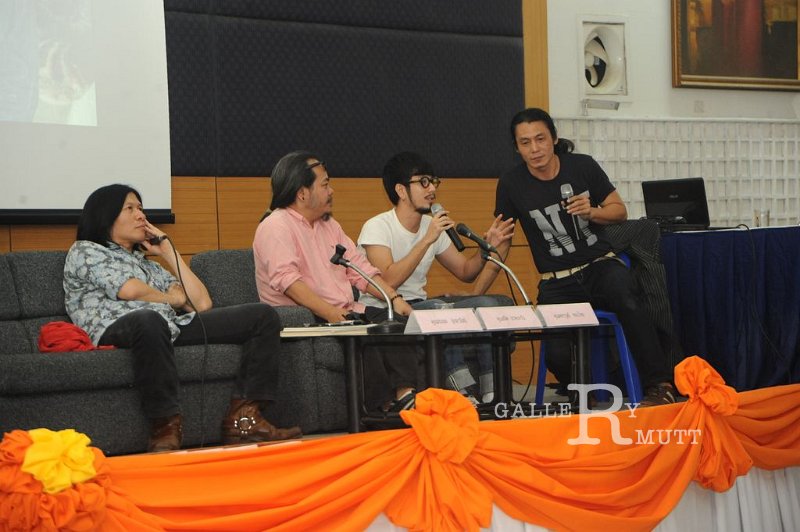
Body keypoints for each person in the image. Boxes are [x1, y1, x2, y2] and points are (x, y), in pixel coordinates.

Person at [64, 184, 302, 453]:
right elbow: (129, 290)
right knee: (148, 320)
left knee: (261, 316)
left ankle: (244, 421)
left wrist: (169, 252)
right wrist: (172, 299)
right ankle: (164, 426)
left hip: (165, 327)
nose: (141, 215)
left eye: (141, 208)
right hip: (115, 326)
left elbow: (202, 303)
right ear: (104, 216)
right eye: (129, 208)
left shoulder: (149, 265)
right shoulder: (85, 250)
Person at [494, 108, 678, 406]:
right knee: (555, 353)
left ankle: (659, 385)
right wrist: (483, 272)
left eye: (540, 139)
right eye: (525, 142)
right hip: (556, 281)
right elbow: (501, 238)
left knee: (628, 298)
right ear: (517, 148)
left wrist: (591, 211)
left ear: (554, 139)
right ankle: (582, 390)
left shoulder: (582, 166)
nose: (535, 148)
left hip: (599, 266)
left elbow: (619, 211)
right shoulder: (511, 183)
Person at [253, 151, 419, 413]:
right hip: (305, 314)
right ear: (302, 193)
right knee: (364, 332)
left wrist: (394, 299)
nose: (332, 191)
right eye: (325, 184)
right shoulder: (275, 227)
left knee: (401, 323)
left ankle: (408, 396)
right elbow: (289, 282)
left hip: (345, 309)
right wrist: (332, 313)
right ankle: (383, 409)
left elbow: (360, 269)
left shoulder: (329, 225)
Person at [357, 151, 515, 404]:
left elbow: (465, 271)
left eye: (433, 181)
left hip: (421, 306)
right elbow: (387, 280)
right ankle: (462, 392)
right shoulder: (378, 226)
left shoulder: (431, 226)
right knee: (439, 310)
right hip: (386, 309)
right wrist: (426, 240)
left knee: (488, 305)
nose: (432, 188)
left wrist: (486, 249)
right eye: (423, 182)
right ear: (400, 190)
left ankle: (492, 392)